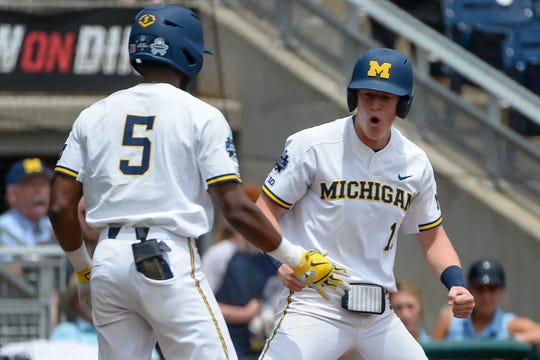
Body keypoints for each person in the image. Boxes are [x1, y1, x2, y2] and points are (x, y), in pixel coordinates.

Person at [47, 4, 348, 360]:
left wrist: (84, 269)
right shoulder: (201, 114)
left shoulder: (93, 114)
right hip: (165, 255)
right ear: (188, 52)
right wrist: (295, 257)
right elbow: (235, 207)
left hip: (107, 261)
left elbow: (59, 206)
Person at [255, 47, 475, 359]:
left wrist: (457, 284)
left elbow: (433, 236)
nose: (374, 104)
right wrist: (281, 260)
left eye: (385, 98)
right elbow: (263, 210)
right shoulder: (313, 144)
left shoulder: (414, 161)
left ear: (402, 103)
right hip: (317, 302)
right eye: (367, 94)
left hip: (379, 311)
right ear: (353, 96)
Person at [202, 184, 282, 359]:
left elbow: (277, 295)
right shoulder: (221, 254)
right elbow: (202, 305)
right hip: (228, 343)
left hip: (262, 344)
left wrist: (268, 312)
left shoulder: (271, 258)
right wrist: (243, 314)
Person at [431, 258, 540, 345]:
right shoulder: (450, 320)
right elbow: (429, 354)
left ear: (501, 291)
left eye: (492, 289)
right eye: (479, 289)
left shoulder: (510, 325)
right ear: (469, 289)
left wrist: (515, 341)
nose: (486, 297)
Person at [0, 157, 55, 248]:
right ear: (12, 194)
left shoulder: (55, 227)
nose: (39, 191)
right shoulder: (3, 228)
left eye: (43, 184)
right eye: (32, 185)